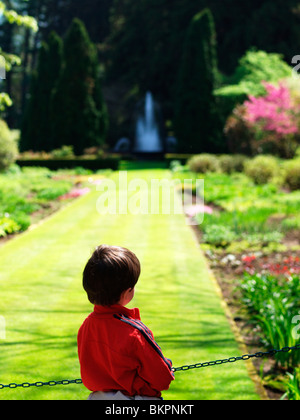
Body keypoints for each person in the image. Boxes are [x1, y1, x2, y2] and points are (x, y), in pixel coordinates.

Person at [77, 244, 175, 400]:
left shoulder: (86, 326)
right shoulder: (135, 333)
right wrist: (167, 366)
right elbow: (162, 379)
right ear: (127, 292)